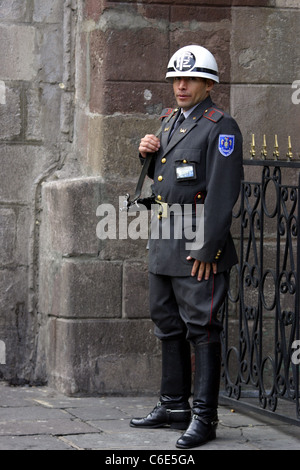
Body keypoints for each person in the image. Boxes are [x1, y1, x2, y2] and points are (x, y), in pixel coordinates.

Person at [129, 45, 243, 449]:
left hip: (198, 248)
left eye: (190, 79)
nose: (180, 85)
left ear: (208, 83)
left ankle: (205, 418)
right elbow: (165, 179)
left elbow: (222, 192)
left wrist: (207, 249)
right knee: (167, 323)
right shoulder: (168, 121)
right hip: (164, 240)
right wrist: (145, 153)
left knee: (202, 327)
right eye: (176, 78)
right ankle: (173, 405)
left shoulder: (220, 126)